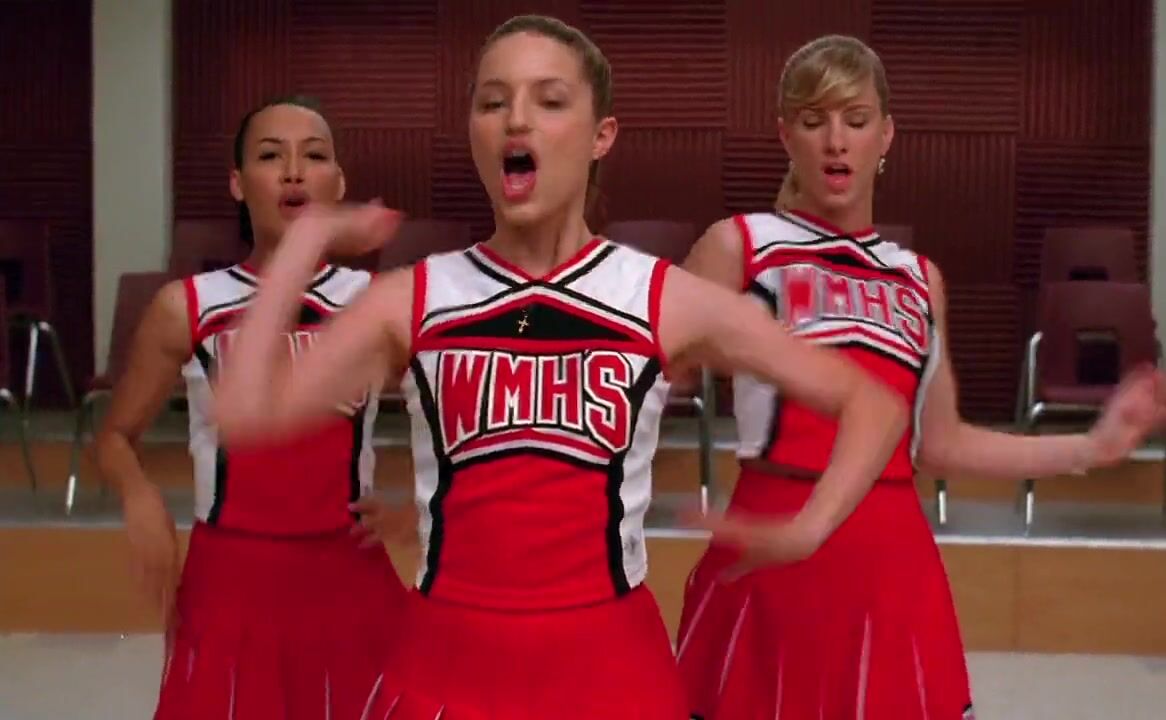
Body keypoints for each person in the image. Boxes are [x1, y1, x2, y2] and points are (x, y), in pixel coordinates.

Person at [210, 15, 913, 720]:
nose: (516, 119)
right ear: (475, 132)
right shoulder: (411, 298)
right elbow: (244, 413)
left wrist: (806, 529)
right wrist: (306, 243)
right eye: (493, 101)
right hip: (444, 668)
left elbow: (874, 405)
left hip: (612, 674)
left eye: (549, 100)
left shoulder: (661, 298)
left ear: (601, 135)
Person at [673, 35, 1166, 720]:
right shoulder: (740, 245)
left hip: (893, 563)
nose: (836, 141)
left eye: (856, 120)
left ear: (886, 135)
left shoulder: (917, 278)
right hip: (773, 547)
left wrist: (1093, 445)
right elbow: (652, 378)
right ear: (785, 134)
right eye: (814, 120)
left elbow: (941, 444)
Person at [91, 96, 410, 720]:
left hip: (348, 571)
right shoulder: (187, 305)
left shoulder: (377, 302)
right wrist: (139, 495)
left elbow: (465, 424)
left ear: (338, 182)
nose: (293, 170)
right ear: (238, 183)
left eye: (313, 156)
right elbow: (115, 436)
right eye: (270, 156)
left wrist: (417, 512)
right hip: (229, 577)